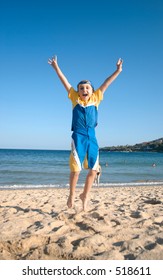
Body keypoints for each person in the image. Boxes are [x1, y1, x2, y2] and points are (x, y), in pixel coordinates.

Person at [48, 55, 123, 211]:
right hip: (78, 136)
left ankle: (85, 195)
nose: (84, 90)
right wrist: (56, 67)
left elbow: (106, 83)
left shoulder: (96, 98)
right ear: (78, 91)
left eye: (87, 87)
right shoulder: (75, 98)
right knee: (75, 170)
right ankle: (71, 195)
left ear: (92, 91)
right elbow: (65, 82)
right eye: (81, 88)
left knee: (94, 170)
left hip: (92, 137)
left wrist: (118, 71)